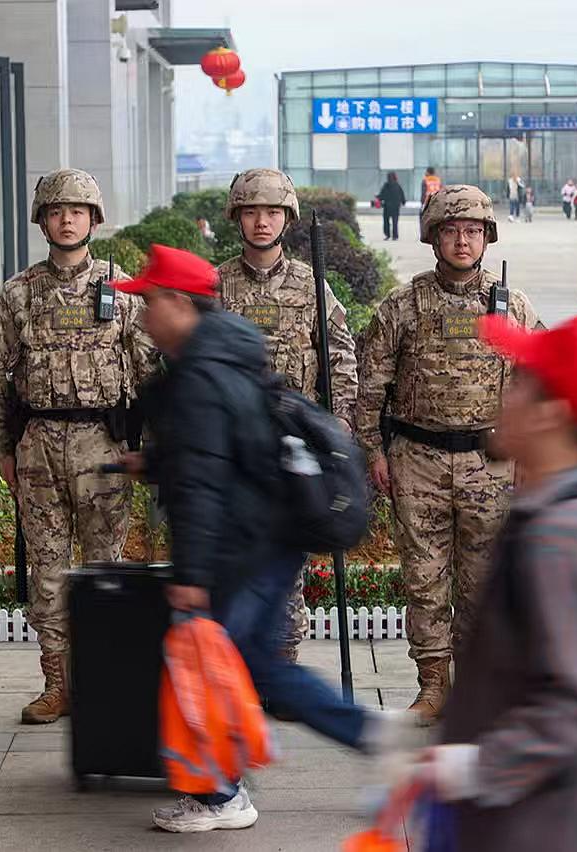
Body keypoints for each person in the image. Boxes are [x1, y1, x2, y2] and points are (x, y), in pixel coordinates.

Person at [118, 245, 405, 833]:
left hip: (237, 547)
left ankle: (221, 796)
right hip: (269, 538)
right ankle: (368, 734)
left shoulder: (200, 373)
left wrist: (192, 578)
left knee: (202, 666)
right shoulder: (227, 355)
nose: (142, 314)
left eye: (149, 301)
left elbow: (204, 481)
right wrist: (157, 461)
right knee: (257, 666)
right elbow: (225, 449)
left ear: (177, 302)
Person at [418, 309, 577, 851]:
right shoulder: (550, 514)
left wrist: (474, 766)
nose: (505, 396)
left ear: (552, 412)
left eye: (521, 383)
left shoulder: (570, 535)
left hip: (560, 827)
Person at [355, 185, 542, 726]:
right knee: (425, 578)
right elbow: (371, 387)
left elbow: (536, 381)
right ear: (433, 236)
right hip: (419, 459)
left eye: (474, 231)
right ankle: (433, 686)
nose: (463, 241)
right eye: (452, 231)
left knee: (484, 582)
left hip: (491, 463)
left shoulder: (512, 305)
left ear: (487, 237)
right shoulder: (403, 304)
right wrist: (374, 450)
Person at [0, 168, 157, 724]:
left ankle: (102, 680)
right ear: (42, 221)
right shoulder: (17, 293)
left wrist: (150, 447)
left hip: (103, 444)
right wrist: (2, 448)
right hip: (38, 448)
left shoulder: (121, 288)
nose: (66, 220)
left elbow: (147, 369)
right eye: (56, 211)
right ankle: (56, 683)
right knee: (48, 570)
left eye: (77, 211)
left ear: (94, 220)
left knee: (103, 566)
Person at [216, 168, 358, 663]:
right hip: (234, 448)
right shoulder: (217, 286)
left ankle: (283, 663)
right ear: (237, 217)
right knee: (232, 559)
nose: (261, 222)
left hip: (292, 447)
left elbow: (340, 354)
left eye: (272, 212)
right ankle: (236, 669)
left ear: (288, 219)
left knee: (287, 564)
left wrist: (338, 421)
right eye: (251, 212)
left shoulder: (311, 285)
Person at [378, 171, 406, 240]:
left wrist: (378, 198)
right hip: (396, 206)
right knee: (395, 221)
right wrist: (403, 202)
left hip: (387, 206)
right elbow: (402, 194)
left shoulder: (386, 185)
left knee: (386, 221)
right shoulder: (397, 185)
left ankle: (387, 234)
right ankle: (395, 236)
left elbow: (382, 195)